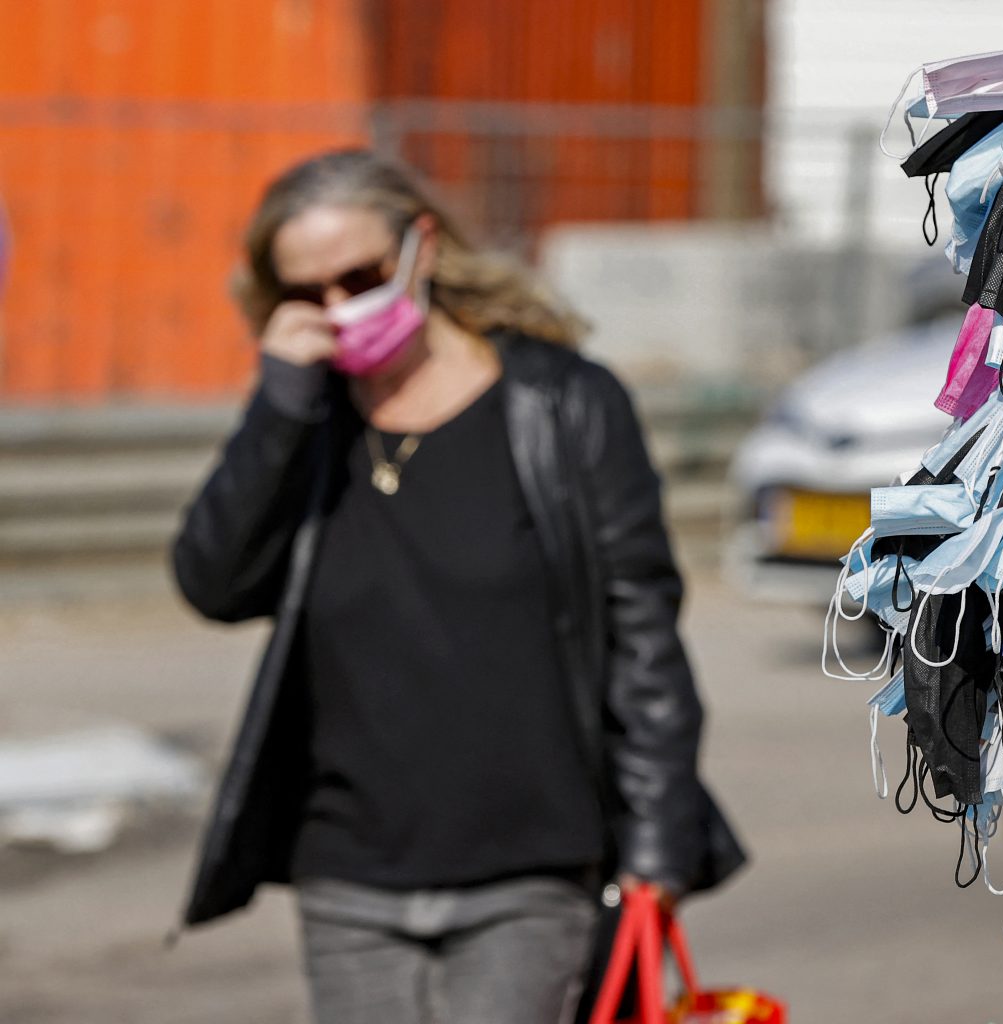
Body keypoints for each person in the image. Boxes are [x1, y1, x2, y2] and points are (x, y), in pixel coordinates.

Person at [171, 149, 744, 1024]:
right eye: (304, 294)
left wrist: (657, 845)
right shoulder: (306, 425)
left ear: (421, 248)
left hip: (531, 865)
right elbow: (213, 582)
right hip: (347, 870)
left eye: (357, 277)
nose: (336, 310)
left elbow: (643, 638)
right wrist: (281, 398)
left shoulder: (564, 406)